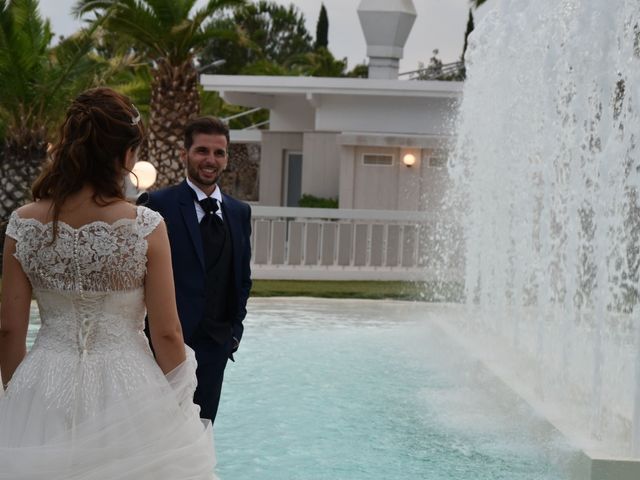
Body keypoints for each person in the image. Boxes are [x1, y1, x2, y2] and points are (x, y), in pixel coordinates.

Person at [0, 87, 215, 479]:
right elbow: (166, 333)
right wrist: (180, 403)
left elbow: (9, 328)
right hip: (128, 387)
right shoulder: (146, 227)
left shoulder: (23, 224)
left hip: (44, 384)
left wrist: (19, 399)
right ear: (126, 155)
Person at [139, 116, 252, 423]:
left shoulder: (240, 212)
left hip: (216, 346)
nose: (210, 160)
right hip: (163, 346)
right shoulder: (156, 204)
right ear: (184, 153)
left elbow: (242, 279)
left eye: (219, 153)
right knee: (160, 431)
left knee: (202, 432)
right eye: (202, 150)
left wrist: (234, 332)